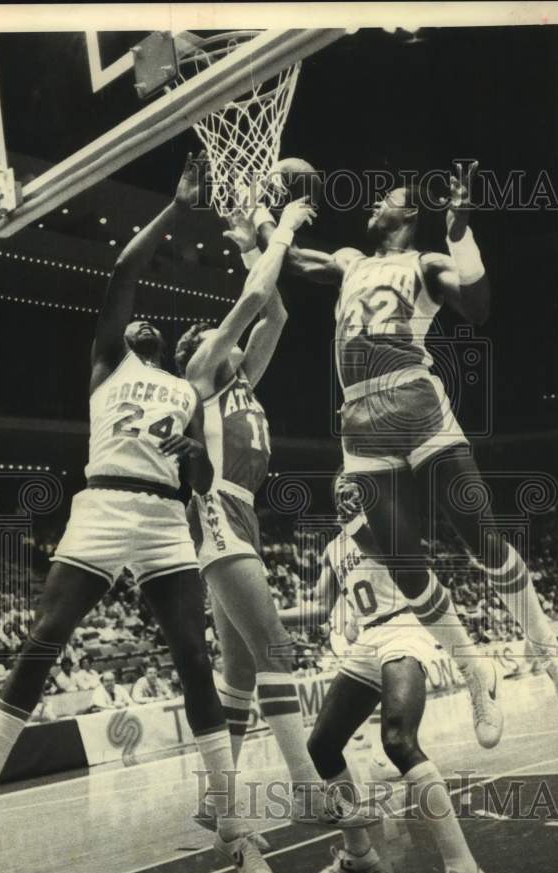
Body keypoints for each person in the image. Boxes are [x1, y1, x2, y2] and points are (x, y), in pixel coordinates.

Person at [0, 153, 299, 873]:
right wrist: (174, 208)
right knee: (43, 638)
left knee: (194, 661)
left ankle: (233, 822)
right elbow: (124, 273)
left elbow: (198, 479)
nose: (148, 330)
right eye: (142, 328)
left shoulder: (189, 388)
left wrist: (195, 454)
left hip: (164, 518)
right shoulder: (108, 364)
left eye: (160, 331)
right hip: (102, 503)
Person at [255, 161, 558, 746]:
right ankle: (472, 670)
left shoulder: (425, 263)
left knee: (480, 533)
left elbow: (478, 308)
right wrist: (260, 217)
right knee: (404, 565)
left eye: (387, 197)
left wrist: (461, 235)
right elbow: (292, 262)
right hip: (360, 419)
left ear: (408, 215)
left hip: (416, 400)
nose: (374, 202)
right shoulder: (351, 261)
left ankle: (550, 653)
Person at [175, 199, 376, 833]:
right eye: (217, 333)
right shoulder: (202, 373)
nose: (224, 336)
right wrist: (279, 228)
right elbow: (257, 294)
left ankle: (215, 799)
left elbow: (278, 309)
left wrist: (246, 242)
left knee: (237, 672)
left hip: (243, 517)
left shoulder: (243, 385)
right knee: (277, 652)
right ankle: (307, 789)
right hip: (217, 514)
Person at [279, 480, 492, 873]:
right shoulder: (334, 548)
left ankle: (465, 872)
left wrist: (358, 518)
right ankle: (358, 853)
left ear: (366, 492)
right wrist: (264, 612)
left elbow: (389, 554)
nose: (343, 492)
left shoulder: (385, 524)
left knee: (397, 741)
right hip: (367, 641)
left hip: (405, 628)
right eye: (337, 486)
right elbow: (319, 608)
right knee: (321, 744)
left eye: (352, 486)